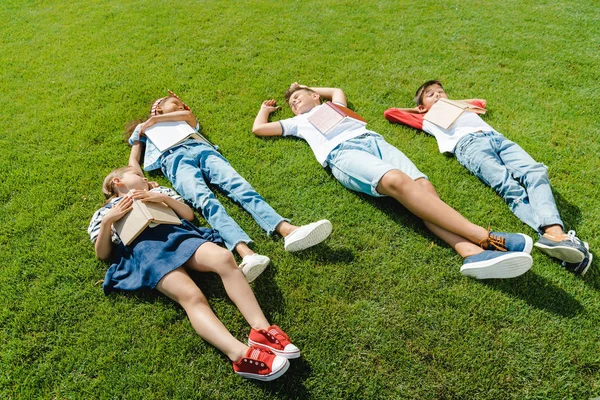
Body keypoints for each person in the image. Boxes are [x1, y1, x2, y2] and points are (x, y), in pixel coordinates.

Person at [252, 83, 535, 280]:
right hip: (343, 153)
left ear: (315, 96)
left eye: (298, 98)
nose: (294, 103)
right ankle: (486, 238)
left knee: (424, 190)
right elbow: (259, 129)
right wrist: (266, 109)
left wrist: (306, 86)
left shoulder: (334, 106)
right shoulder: (297, 123)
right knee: (398, 182)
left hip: (374, 142)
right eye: (291, 104)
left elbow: (337, 90)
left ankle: (470, 253)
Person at [88, 166, 301, 381]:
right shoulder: (104, 213)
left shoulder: (160, 191)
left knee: (224, 258)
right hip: (147, 251)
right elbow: (103, 253)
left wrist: (161, 197)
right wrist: (109, 221)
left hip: (179, 235)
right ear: (118, 181)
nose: (144, 178)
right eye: (137, 175)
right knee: (191, 296)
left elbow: (188, 215)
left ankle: (261, 330)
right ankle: (240, 355)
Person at [383, 80, 592, 275]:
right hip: (468, 146)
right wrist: (425, 108)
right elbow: (391, 113)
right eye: (430, 94)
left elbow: (480, 102)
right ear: (422, 106)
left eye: (440, 91)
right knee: (509, 187)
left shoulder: (463, 108)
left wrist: (451, 103)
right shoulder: (425, 117)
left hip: (499, 140)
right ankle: (556, 235)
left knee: (536, 172)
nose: (437, 95)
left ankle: (554, 236)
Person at [128, 91, 332, 283]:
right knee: (206, 202)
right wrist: (142, 183)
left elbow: (188, 115)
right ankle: (246, 254)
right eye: (175, 104)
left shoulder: (183, 119)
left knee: (241, 188)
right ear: (159, 108)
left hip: (202, 150)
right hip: (174, 161)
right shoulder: (144, 130)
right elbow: (133, 160)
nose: (180, 106)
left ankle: (287, 229)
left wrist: (155, 120)